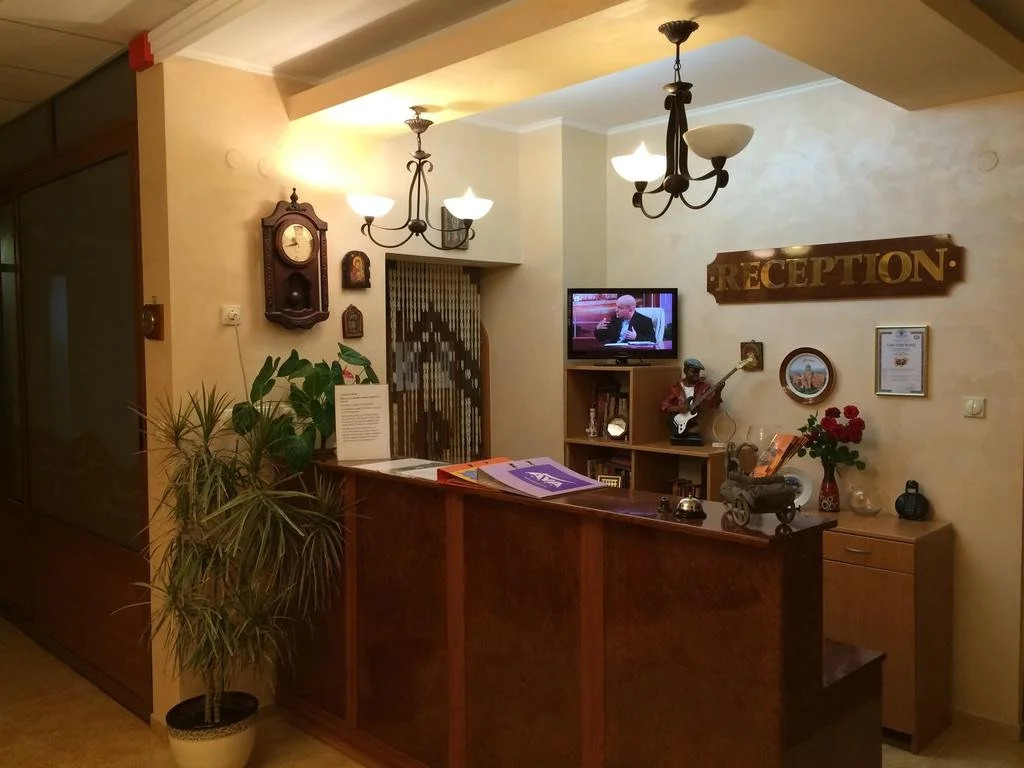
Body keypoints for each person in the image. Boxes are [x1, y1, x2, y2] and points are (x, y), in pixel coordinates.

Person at [661, 358, 724, 435]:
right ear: (685, 371)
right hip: (679, 421)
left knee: (695, 432)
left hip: (696, 423)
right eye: (693, 372)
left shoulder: (704, 387)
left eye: (698, 372)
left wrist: (718, 392)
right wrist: (680, 408)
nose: (696, 375)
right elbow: (664, 406)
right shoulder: (676, 388)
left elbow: (714, 405)